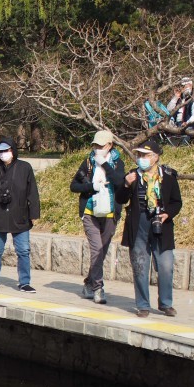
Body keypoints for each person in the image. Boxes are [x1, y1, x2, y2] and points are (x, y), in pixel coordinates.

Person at [118, 138, 182, 318]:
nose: (141, 158)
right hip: (139, 225)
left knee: (166, 265)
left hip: (162, 225)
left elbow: (177, 202)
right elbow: (120, 199)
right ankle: (143, 304)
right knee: (140, 265)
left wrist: (167, 214)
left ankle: (166, 303)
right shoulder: (133, 175)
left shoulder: (168, 176)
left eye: (145, 155)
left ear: (155, 157)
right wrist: (125, 184)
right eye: (139, 155)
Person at [69, 130, 128, 304]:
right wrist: (90, 186)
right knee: (96, 249)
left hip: (110, 212)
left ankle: (89, 282)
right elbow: (74, 186)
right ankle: (98, 288)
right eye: (95, 145)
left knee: (101, 251)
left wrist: (106, 165)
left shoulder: (118, 163)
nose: (97, 149)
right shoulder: (88, 162)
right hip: (90, 211)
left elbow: (119, 183)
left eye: (101, 146)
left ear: (110, 146)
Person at [0, 139, 41, 292]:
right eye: (0, 152)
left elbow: (33, 192)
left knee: (23, 251)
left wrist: (34, 213)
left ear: (13, 151)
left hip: (20, 215)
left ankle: (24, 282)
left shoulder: (25, 168)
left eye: (6, 151)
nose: (3, 154)